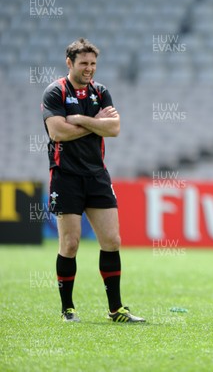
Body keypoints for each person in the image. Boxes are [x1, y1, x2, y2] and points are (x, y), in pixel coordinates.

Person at [42, 38, 145, 323]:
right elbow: (58, 133)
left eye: (93, 64)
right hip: (66, 176)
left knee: (112, 240)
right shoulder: (55, 92)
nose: (89, 69)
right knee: (71, 244)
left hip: (97, 175)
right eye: (84, 63)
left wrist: (79, 118)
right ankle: (68, 309)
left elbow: (114, 128)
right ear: (69, 63)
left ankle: (116, 309)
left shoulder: (100, 92)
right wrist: (94, 121)